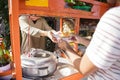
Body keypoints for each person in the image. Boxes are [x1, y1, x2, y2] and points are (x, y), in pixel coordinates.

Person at [57, 0, 120, 80]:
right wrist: (81, 40)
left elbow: (83, 68)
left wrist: (66, 48)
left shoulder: (115, 17)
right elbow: (110, 49)